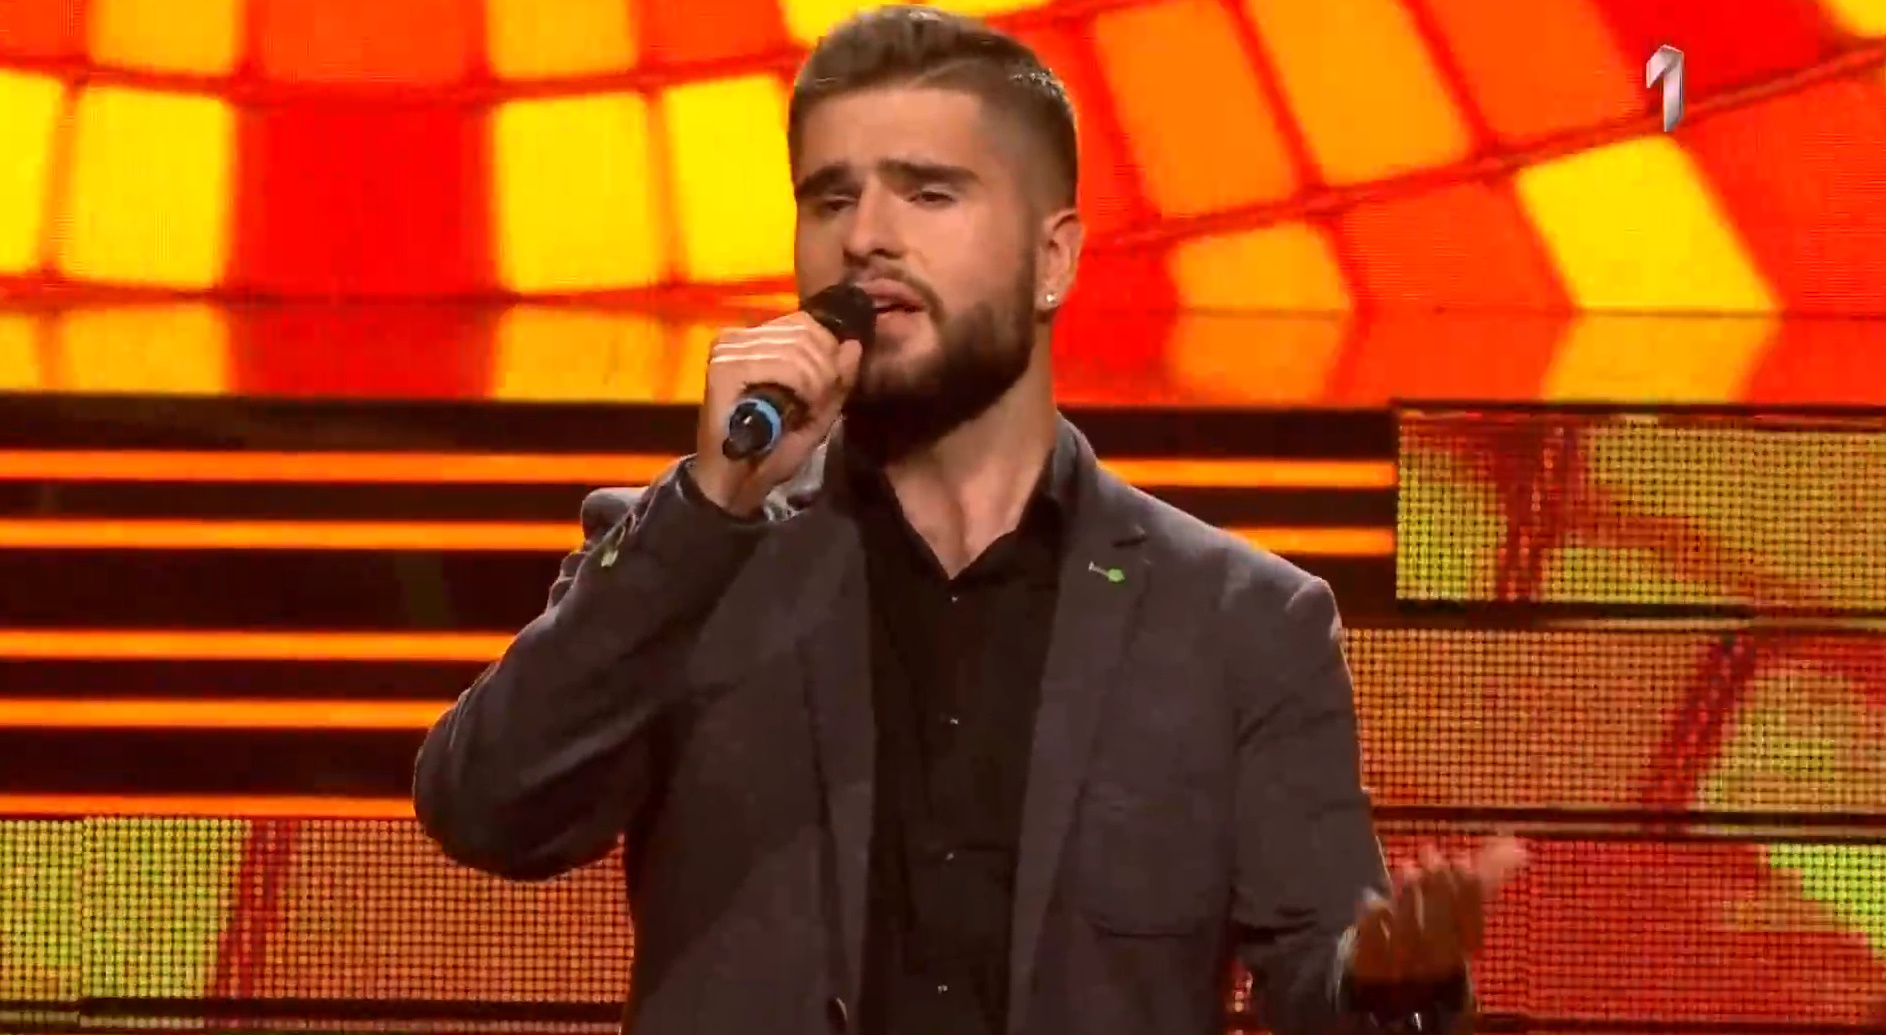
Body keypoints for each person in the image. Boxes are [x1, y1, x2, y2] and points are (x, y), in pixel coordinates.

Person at [413, 6, 1525, 1034]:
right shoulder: (694, 555)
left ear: (1053, 260)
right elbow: (488, 812)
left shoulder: (1238, 622)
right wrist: (709, 506)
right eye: (830, 198)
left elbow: (1321, 976)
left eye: (928, 193)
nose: (865, 237)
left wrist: (1394, 981)